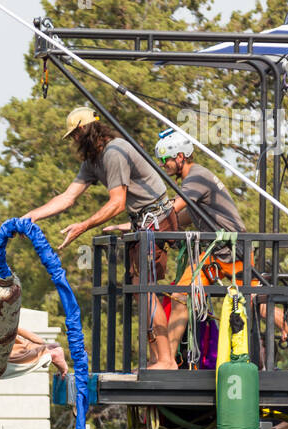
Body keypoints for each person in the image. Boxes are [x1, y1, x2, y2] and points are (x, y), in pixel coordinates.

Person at [154, 129, 288, 374]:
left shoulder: (195, 178)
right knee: (182, 295)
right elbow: (181, 217)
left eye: (166, 160)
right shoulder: (194, 178)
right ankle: (169, 360)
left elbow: (172, 210)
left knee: (259, 304)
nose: (164, 165)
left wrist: (151, 220)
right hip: (213, 254)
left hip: (233, 252)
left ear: (180, 156)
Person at [23, 107, 180, 369]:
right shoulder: (93, 161)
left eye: (75, 134)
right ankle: (159, 358)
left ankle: (166, 360)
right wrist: (34, 215)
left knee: (146, 289)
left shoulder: (114, 152)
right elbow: (68, 197)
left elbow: (117, 203)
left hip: (157, 220)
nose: (73, 141)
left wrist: (83, 226)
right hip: (142, 223)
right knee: (141, 290)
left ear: (86, 130)